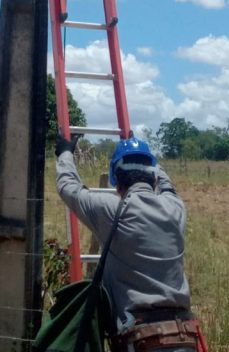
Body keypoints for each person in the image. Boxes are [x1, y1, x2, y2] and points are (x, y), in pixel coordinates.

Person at [55, 133, 203, 352]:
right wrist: (144, 154)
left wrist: (65, 153)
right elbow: (167, 184)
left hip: (140, 339)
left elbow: (69, 188)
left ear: (117, 184)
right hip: (183, 336)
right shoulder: (176, 208)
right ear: (153, 179)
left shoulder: (111, 210)